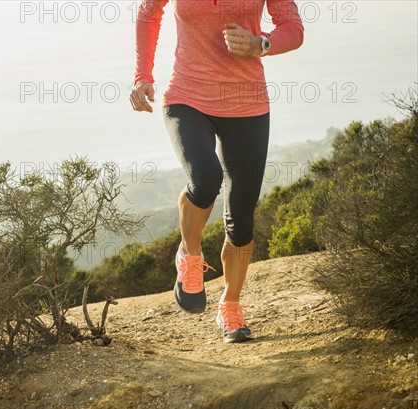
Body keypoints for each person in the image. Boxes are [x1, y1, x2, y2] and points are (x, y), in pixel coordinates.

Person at [130, 0, 304, 343]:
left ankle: (231, 306)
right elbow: (149, 12)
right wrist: (142, 76)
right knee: (205, 177)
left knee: (241, 216)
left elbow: (293, 28)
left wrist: (261, 44)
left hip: (248, 103)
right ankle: (190, 254)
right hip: (187, 96)